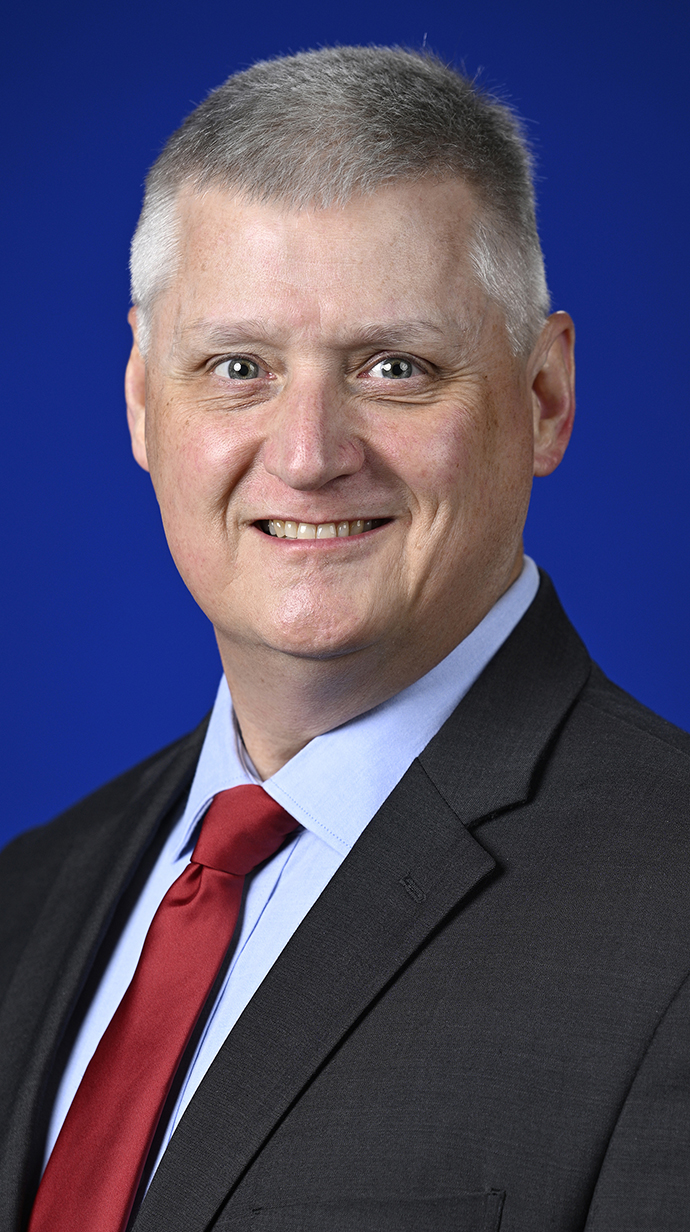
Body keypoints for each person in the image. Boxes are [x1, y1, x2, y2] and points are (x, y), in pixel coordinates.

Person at [1, 44, 690, 1232]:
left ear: (543, 400)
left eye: (395, 367)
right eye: (237, 366)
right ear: (139, 402)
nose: (312, 452)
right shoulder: (31, 891)